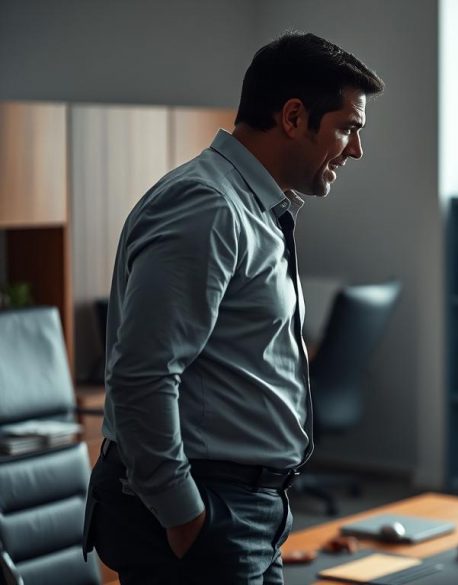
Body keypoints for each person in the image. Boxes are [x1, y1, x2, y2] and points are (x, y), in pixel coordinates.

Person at [83, 32, 384, 584]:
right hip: (203, 511)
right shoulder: (207, 206)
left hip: (248, 512)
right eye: (347, 127)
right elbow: (142, 375)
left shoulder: (253, 207)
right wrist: (186, 517)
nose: (356, 150)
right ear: (293, 116)